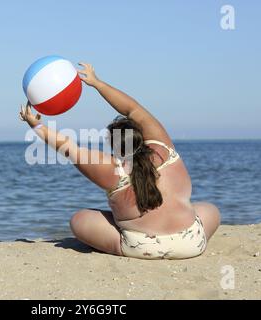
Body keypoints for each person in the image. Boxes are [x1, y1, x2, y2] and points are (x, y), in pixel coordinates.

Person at [19, 63, 220, 259]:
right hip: (193, 243)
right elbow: (133, 109)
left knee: (79, 220)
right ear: (142, 135)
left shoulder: (114, 171)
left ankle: (131, 235)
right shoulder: (165, 150)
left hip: (141, 247)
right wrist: (97, 83)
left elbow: (69, 148)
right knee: (209, 210)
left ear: (115, 147)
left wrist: (37, 126)